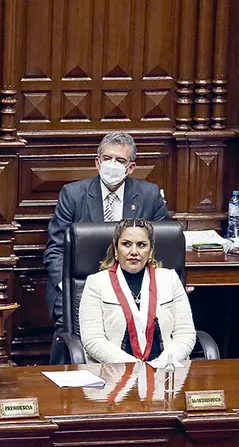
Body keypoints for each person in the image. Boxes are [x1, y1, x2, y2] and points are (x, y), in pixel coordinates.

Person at [45, 132, 170, 361]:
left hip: (134, 282)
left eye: (120, 161)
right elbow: (55, 249)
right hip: (80, 286)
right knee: (69, 319)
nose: (112, 165)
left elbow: (164, 244)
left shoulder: (149, 195)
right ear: (97, 161)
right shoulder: (73, 195)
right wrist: (69, 288)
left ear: (131, 167)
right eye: (107, 158)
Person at [78, 219, 195, 364]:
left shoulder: (170, 279)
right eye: (126, 244)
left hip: (165, 371)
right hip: (115, 373)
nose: (134, 252)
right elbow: (93, 340)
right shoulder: (96, 283)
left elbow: (185, 334)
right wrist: (135, 367)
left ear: (151, 250)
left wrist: (163, 364)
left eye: (141, 245)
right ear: (116, 248)